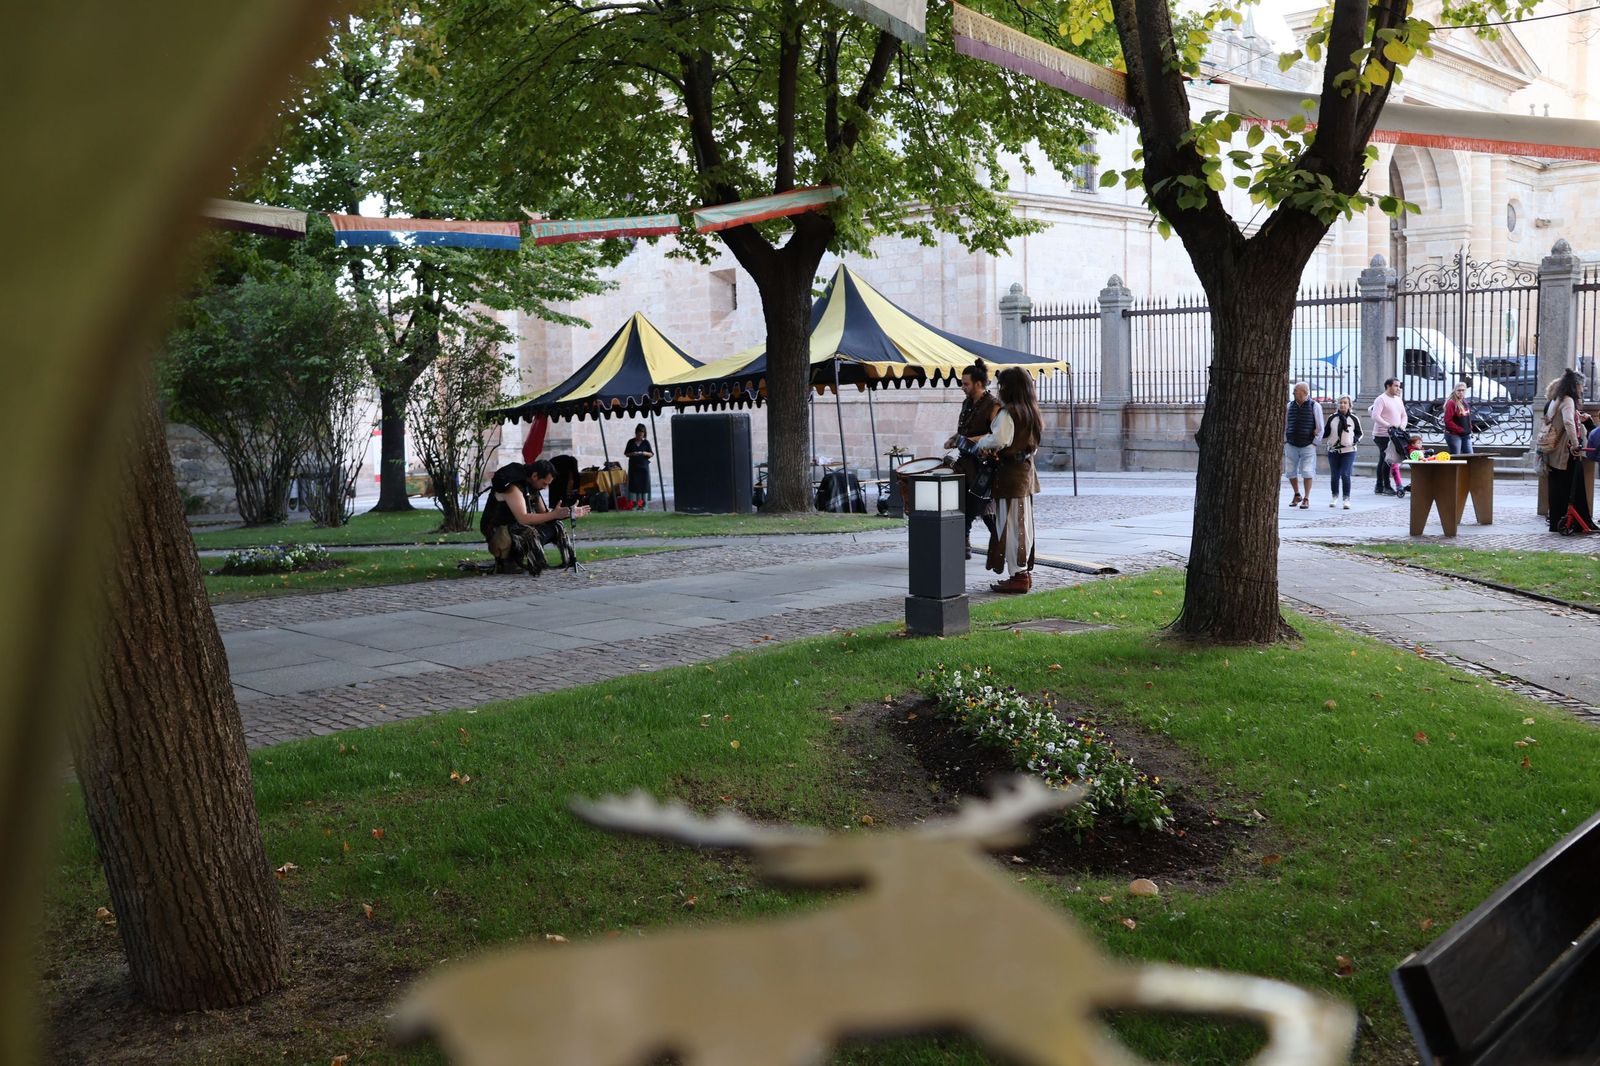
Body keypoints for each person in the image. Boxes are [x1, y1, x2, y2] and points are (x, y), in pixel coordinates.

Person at [974, 367, 1041, 594]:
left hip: (1011, 475)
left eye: (1002, 385)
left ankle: (1019, 575)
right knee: (1021, 524)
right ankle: (1021, 573)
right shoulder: (1031, 411)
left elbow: (999, 439)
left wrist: (982, 444)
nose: (999, 389)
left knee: (1012, 526)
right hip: (1024, 473)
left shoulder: (1010, 413)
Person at [480, 460, 588, 574]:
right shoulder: (513, 488)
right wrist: (554, 514)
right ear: (535, 476)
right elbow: (523, 518)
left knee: (556, 526)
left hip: (515, 528)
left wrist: (568, 512)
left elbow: (544, 514)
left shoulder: (532, 486)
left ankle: (566, 560)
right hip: (499, 532)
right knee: (527, 531)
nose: (545, 488)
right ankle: (508, 561)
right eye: (544, 484)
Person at [944, 357, 1001, 560]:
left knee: (982, 506)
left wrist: (969, 440)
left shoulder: (993, 405)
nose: (962, 387)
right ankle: (964, 543)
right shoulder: (967, 403)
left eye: (965, 384)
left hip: (984, 463)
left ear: (978, 383)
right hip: (965, 461)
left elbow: (996, 435)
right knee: (963, 503)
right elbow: (964, 430)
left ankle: (999, 542)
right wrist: (954, 438)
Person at [1541, 369, 1592, 533]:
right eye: (1582, 385)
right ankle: (1574, 522)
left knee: (1557, 486)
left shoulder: (1557, 398)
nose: (1582, 389)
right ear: (1576, 385)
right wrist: (1576, 444)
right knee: (1572, 486)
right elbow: (1568, 422)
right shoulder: (1568, 400)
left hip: (1553, 450)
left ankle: (1557, 521)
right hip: (1565, 451)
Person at [1284, 382, 1325, 510]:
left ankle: (1306, 498)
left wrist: (1315, 443)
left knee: (1307, 471)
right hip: (1291, 443)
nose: (1293, 392)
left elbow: (1320, 427)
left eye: (1295, 390)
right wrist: (1285, 439)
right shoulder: (1289, 406)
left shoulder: (1315, 406)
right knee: (1290, 471)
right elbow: (1286, 424)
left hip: (1308, 444)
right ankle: (1297, 494)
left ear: (1304, 392)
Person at [1322, 394, 1362, 509]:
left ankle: (1346, 498)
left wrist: (1353, 441)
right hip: (1333, 450)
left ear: (1349, 405)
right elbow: (1326, 433)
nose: (1342, 405)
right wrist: (1316, 432)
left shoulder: (1354, 418)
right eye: (1340, 402)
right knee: (1334, 475)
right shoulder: (1332, 418)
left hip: (1349, 450)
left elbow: (1359, 433)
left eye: (1345, 403)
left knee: (1345, 474)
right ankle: (1334, 496)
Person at [1369, 378, 1408, 495]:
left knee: (1383, 460)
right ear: (1388, 386)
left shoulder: (1398, 399)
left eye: (1399, 386)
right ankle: (1386, 486)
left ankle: (1379, 486)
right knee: (1387, 459)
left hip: (1395, 435)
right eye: (1396, 386)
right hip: (1382, 435)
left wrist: (1402, 425)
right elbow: (1375, 416)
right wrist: (1389, 425)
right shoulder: (1381, 399)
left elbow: (1404, 415)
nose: (1398, 388)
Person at [624, 423, 654, 506]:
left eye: (641, 434)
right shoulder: (631, 442)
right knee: (634, 484)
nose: (640, 436)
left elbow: (651, 454)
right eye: (638, 434)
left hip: (643, 467)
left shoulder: (646, 442)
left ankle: (644, 504)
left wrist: (644, 453)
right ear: (636, 433)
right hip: (633, 467)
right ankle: (634, 503)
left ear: (644, 434)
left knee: (644, 484)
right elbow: (626, 453)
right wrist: (633, 453)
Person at [1442, 381, 1474, 455]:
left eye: (1463, 390)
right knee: (1456, 456)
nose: (1461, 392)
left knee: (1470, 456)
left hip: (1465, 434)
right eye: (1459, 390)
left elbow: (1467, 418)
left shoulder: (1464, 402)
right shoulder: (1451, 403)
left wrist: (1469, 428)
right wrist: (1460, 429)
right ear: (1455, 391)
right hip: (1454, 435)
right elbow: (1447, 421)